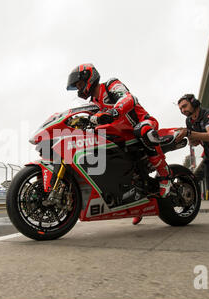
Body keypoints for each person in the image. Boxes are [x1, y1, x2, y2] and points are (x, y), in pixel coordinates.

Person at [67, 63, 172, 226]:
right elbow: (92, 119)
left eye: (80, 84)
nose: (79, 89)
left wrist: (114, 111)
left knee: (143, 130)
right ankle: (136, 203)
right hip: (121, 134)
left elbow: (128, 98)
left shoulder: (110, 85)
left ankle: (165, 176)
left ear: (89, 78)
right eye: (77, 87)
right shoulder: (94, 102)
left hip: (143, 123)